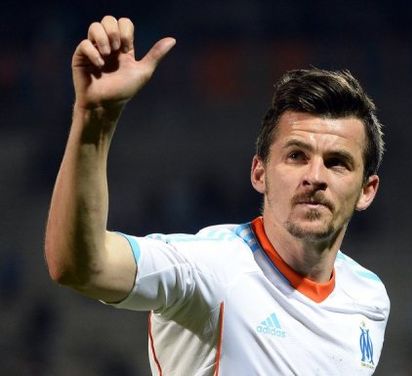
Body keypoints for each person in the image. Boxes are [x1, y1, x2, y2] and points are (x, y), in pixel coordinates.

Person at [45, 15, 390, 376]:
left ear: (367, 190)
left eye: (337, 163)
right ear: (260, 173)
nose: (314, 177)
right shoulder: (208, 267)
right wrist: (95, 118)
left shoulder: (369, 299)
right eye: (296, 156)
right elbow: (81, 265)